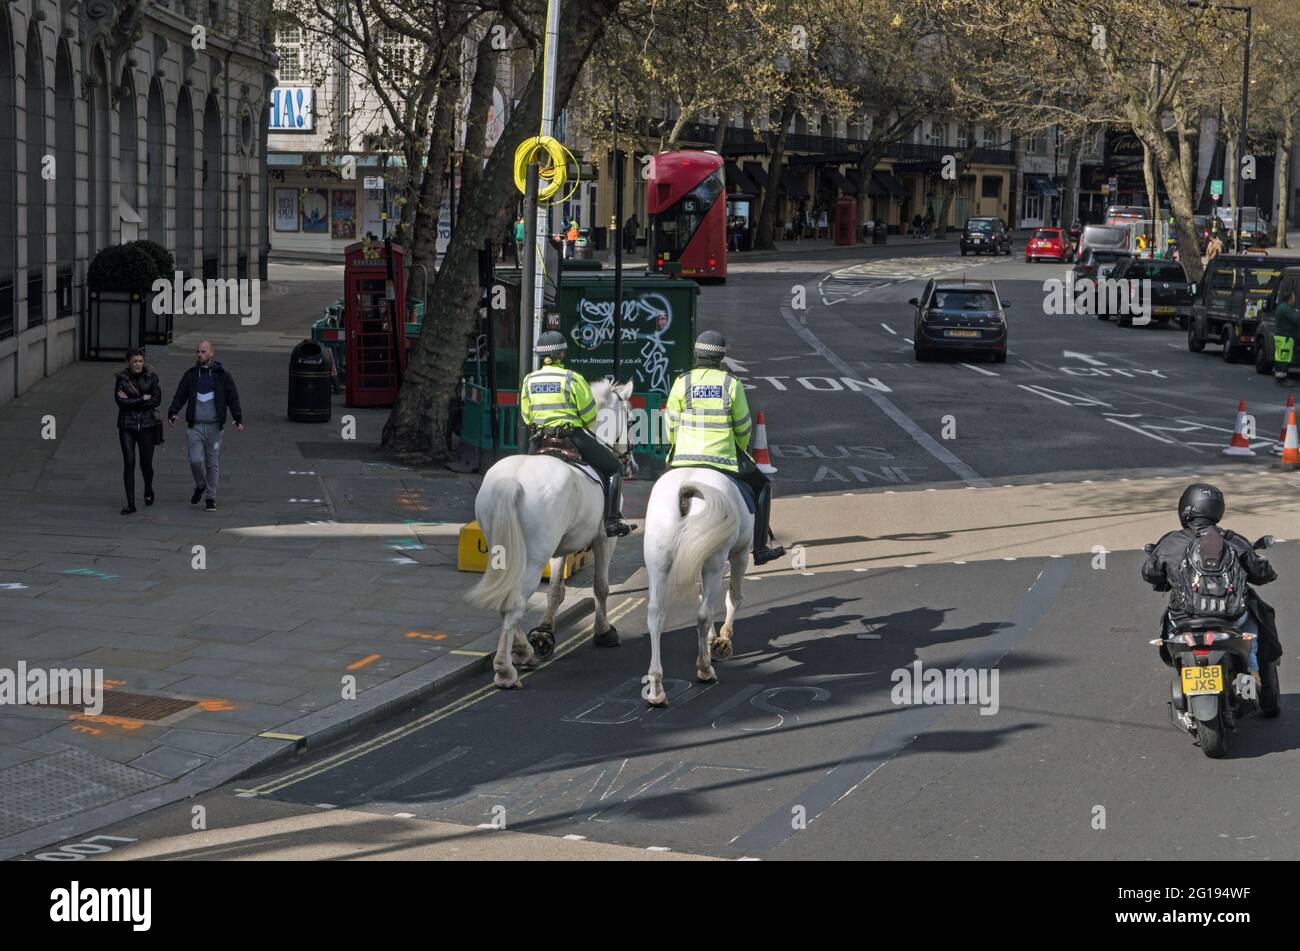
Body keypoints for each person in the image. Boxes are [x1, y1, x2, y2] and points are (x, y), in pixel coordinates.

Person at [1141, 483, 1282, 691]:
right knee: (1255, 623)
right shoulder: (1233, 540)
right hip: (1231, 616)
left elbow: (1150, 573)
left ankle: (1183, 670)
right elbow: (1260, 572)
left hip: (1183, 617)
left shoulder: (1172, 542)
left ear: (1186, 509)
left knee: (1168, 627)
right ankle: (1254, 672)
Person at [664, 331, 785, 565]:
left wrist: (675, 447)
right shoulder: (732, 384)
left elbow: (670, 423)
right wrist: (740, 449)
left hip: (683, 459)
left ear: (697, 353)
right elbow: (742, 426)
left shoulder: (682, 382)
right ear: (721, 358)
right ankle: (760, 548)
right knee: (762, 487)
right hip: (722, 458)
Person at [519, 331, 631, 537]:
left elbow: (526, 416)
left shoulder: (529, 380)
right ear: (561, 355)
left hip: (539, 439)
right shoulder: (572, 378)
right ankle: (612, 521)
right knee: (614, 468)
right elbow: (589, 415)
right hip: (572, 438)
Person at [167, 341, 244, 512]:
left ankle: (210, 497)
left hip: (214, 427)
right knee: (194, 460)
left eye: (203, 351)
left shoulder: (223, 375)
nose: (199, 354)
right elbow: (180, 395)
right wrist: (172, 411)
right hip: (195, 426)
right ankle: (201, 484)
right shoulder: (191, 374)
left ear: (211, 353)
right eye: (197, 351)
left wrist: (238, 418)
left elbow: (233, 398)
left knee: (212, 464)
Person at [115, 348, 162, 515]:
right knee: (129, 463)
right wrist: (142, 398)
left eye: (140, 361)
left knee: (146, 463)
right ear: (129, 362)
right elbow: (120, 402)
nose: (138, 364)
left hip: (147, 426)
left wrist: (132, 401)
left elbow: (156, 400)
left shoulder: (151, 377)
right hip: (127, 426)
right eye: (135, 361)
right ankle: (131, 503)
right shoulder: (122, 378)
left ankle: (148, 490)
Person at [1274, 287, 1300, 386]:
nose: (1294, 299)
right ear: (1289, 298)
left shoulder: (1283, 307)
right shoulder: (1286, 308)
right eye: (1293, 297)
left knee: (1282, 358)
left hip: (1283, 336)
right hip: (1285, 336)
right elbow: (1295, 318)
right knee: (1283, 358)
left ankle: (1281, 377)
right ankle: (1281, 379)